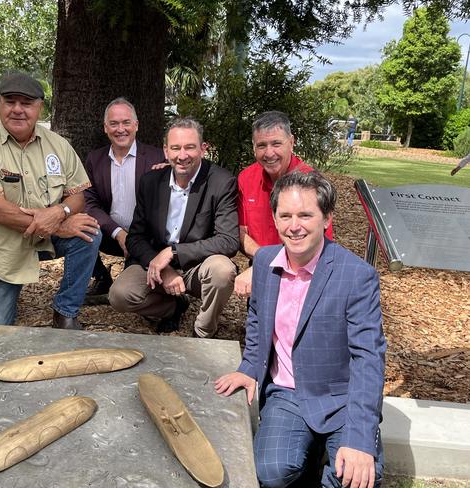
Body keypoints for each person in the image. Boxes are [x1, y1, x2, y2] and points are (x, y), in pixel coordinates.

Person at [215, 171, 386, 488]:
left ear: (326, 218)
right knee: (272, 473)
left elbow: (368, 359)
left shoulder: (357, 276)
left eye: (306, 215)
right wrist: (250, 367)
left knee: (354, 478)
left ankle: (334, 451)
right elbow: (257, 321)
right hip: (287, 394)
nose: (294, 226)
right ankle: (310, 451)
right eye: (286, 215)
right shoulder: (265, 262)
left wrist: (360, 438)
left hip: (341, 400)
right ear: (276, 219)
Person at [0, 72, 101, 329]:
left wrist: (60, 211)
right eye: (10, 101)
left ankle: (65, 311)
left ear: (40, 107)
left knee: (90, 232)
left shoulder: (58, 145)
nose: (17, 110)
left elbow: (78, 195)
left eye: (26, 103)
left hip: (44, 239)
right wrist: (58, 225)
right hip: (4, 249)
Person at [109, 117, 239, 338]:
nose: (182, 155)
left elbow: (228, 240)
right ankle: (174, 306)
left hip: (197, 266)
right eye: (175, 148)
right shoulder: (150, 182)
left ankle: (204, 331)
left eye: (190, 147)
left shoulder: (221, 182)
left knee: (223, 271)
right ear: (166, 151)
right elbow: (135, 237)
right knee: (120, 295)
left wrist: (174, 253)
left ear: (203, 149)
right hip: (157, 263)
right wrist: (162, 266)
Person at [234, 111, 333, 297]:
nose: (269, 153)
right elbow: (240, 232)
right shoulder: (246, 178)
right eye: (261, 145)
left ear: (291, 142)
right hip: (261, 265)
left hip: (305, 271)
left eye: (276, 144)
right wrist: (267, 262)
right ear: (254, 148)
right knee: (259, 324)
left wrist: (269, 262)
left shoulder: (311, 182)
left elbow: (320, 242)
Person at [83, 97, 165, 302]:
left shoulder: (158, 158)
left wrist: (170, 174)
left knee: (132, 295)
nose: (121, 129)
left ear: (136, 125)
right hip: (110, 234)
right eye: (114, 123)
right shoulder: (95, 159)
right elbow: (89, 202)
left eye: (126, 122)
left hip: (147, 238)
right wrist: (119, 233)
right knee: (77, 225)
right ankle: (101, 277)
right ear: (105, 128)